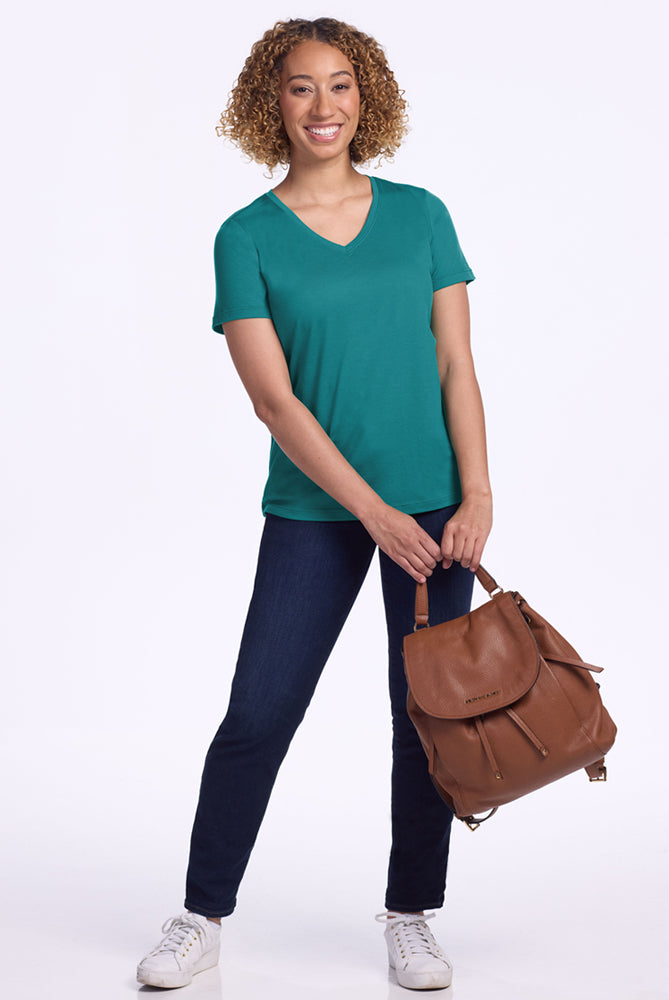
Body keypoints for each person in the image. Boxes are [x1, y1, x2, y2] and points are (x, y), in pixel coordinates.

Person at [137, 16, 492, 992]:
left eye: (340, 85)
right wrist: (375, 515)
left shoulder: (422, 215)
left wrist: (478, 491)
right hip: (314, 513)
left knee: (425, 719)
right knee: (258, 711)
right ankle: (200, 913)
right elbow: (272, 400)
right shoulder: (246, 238)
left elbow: (456, 364)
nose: (323, 106)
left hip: (436, 510)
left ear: (364, 96)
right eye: (301, 88)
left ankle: (411, 913)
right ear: (272, 104)